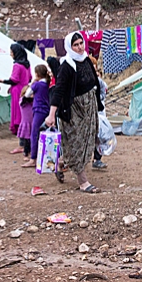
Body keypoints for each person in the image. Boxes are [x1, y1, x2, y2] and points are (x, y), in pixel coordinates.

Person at [45, 32, 103, 193]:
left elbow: (94, 82)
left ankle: (61, 163)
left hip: (88, 108)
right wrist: (51, 114)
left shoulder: (86, 60)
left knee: (87, 141)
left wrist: (98, 103)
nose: (79, 47)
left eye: (80, 43)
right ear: (69, 47)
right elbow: (59, 90)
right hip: (73, 109)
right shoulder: (67, 66)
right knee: (76, 143)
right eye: (75, 45)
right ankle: (83, 181)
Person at [0, 44, 32, 140]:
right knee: (23, 110)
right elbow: (30, 78)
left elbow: (14, 80)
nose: (11, 54)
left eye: (12, 52)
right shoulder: (27, 64)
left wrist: (0, 80)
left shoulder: (17, 65)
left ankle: (19, 130)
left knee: (17, 110)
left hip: (17, 90)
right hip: (25, 89)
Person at [22, 64, 51, 168]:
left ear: (37, 74)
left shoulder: (37, 85)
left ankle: (33, 158)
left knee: (34, 134)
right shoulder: (48, 84)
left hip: (38, 110)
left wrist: (32, 83)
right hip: (47, 110)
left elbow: (27, 94)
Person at [89, 57, 108, 170]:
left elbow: (103, 92)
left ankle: (97, 158)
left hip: (98, 111)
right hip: (86, 112)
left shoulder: (99, 81)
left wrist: (98, 101)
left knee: (98, 135)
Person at [16, 86, 34, 160]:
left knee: (32, 140)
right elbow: (25, 99)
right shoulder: (22, 101)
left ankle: (32, 153)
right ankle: (26, 154)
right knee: (26, 140)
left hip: (32, 122)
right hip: (26, 122)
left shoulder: (33, 101)